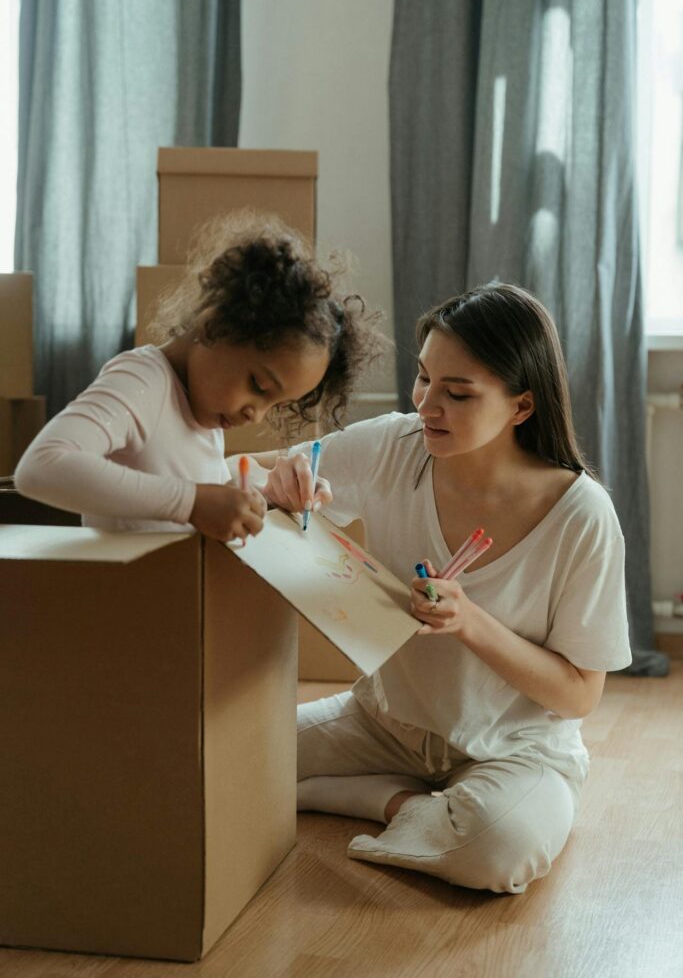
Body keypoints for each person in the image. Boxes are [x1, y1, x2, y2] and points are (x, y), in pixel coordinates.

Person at [255, 282, 632, 895]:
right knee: (228, 759)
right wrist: (283, 481)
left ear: (522, 406)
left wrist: (471, 623)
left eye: (457, 393)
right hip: (383, 723)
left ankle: (360, 799)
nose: (428, 405)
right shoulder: (395, 445)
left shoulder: (581, 515)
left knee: (497, 849)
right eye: (424, 379)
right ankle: (399, 802)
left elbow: (579, 696)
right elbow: (243, 480)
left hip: (513, 750)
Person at [14, 210, 382, 539]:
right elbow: (41, 467)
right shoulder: (144, 381)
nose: (256, 413)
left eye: (276, 404)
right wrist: (190, 502)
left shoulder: (203, 414)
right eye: (258, 386)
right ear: (216, 322)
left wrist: (265, 495)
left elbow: (198, 489)